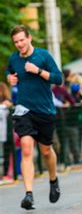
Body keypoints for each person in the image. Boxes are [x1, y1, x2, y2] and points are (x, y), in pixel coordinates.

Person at [6, 25, 62, 210]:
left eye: (22, 40)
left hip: (45, 110)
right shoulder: (14, 58)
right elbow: (10, 71)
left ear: (29, 38)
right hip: (24, 110)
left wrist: (38, 71)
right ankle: (28, 195)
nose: (19, 44)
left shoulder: (43, 56)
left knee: (46, 151)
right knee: (27, 149)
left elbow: (58, 78)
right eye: (16, 42)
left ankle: (53, 179)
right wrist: (10, 78)